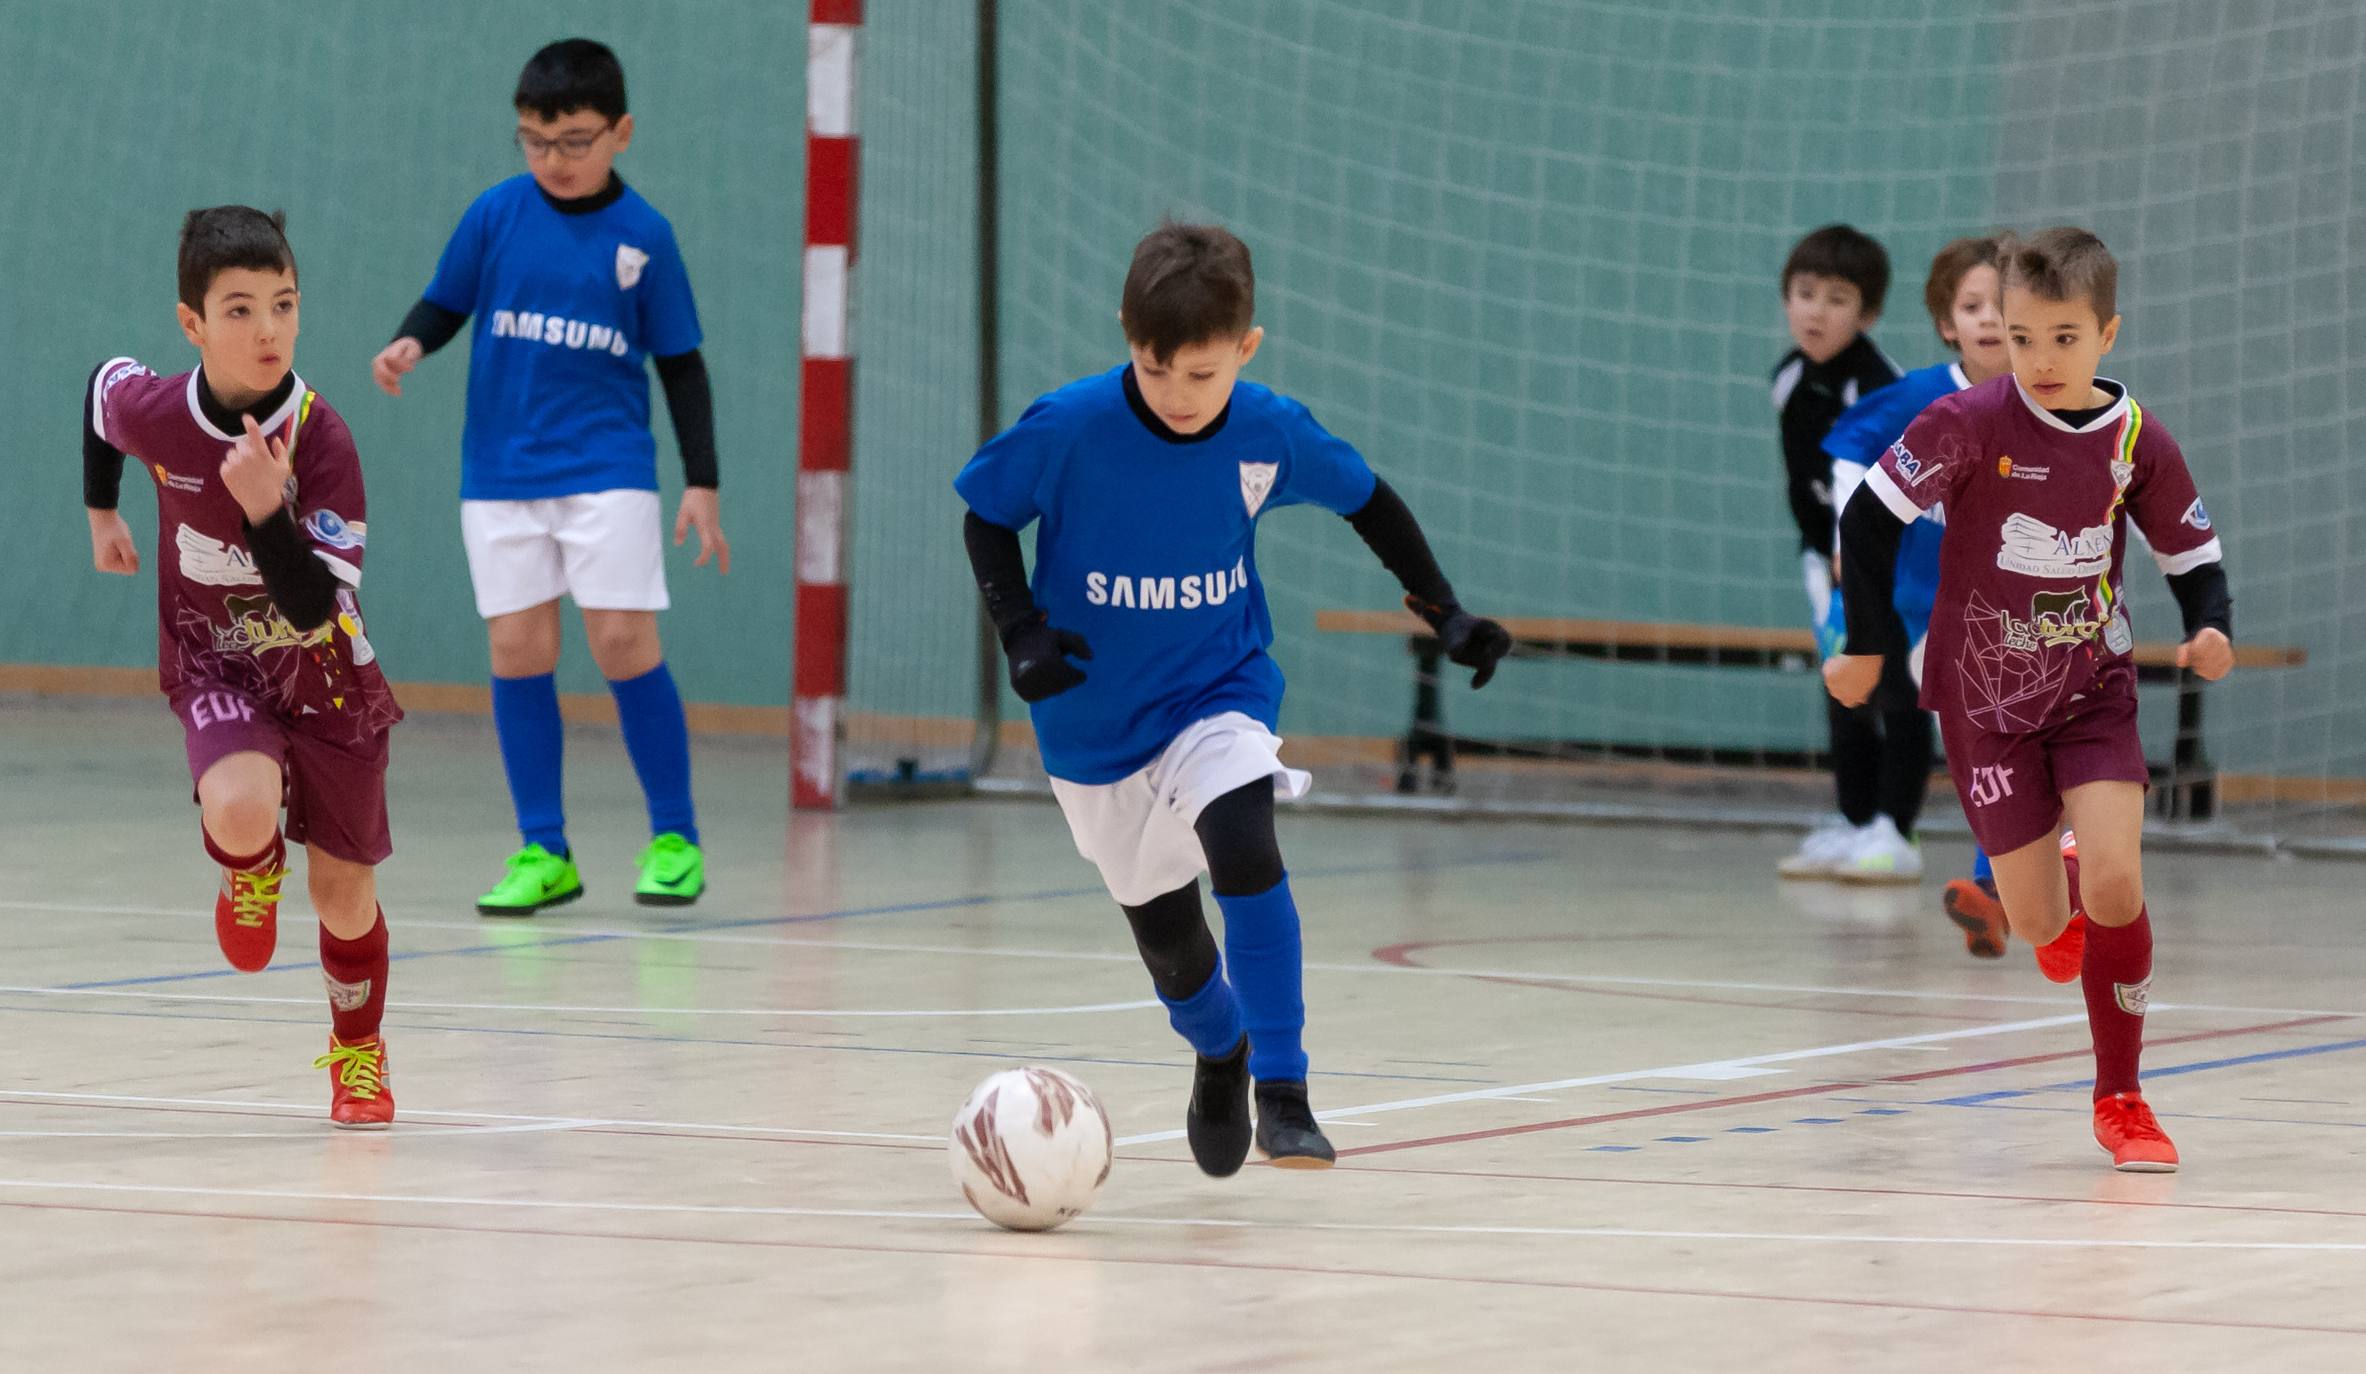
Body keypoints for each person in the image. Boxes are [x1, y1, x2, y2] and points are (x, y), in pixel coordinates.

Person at [955, 222, 1510, 1175]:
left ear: (1245, 349)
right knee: (1171, 946)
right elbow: (987, 517)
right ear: (1127, 332)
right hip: (1093, 726)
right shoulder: (1070, 427)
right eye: (1155, 369)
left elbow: (1368, 500)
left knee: (1247, 846)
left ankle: (1284, 1092)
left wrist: (1444, 611)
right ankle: (1221, 1048)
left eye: (1202, 375)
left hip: (1218, 688)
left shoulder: (1268, 430)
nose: (1178, 394)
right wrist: (1022, 632)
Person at [1827, 227, 2234, 1171]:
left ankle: (2123, 1099)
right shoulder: (1965, 423)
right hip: (1985, 703)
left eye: (2064, 337)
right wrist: (1868, 646)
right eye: (2021, 338)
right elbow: (1867, 518)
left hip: (2093, 687)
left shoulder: (2135, 438)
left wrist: (2209, 625)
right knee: (2045, 928)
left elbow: (2191, 553)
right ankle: (2063, 877)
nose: (2041, 360)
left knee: (2120, 881)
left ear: (2107, 334)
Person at [373, 37, 728, 915]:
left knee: (622, 641)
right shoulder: (495, 214)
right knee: (518, 649)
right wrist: (411, 340)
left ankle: (675, 837)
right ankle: (544, 849)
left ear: (620, 133)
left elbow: (682, 364)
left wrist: (702, 480)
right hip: (500, 471)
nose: (553, 159)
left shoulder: (645, 235)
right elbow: (446, 300)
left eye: (574, 141)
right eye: (534, 141)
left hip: (608, 468)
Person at [83, 206, 402, 1127]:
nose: (268, 329)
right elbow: (101, 392)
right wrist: (102, 511)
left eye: (284, 305)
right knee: (237, 804)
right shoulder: (158, 413)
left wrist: (266, 509)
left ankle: (359, 1054)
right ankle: (249, 864)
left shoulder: (322, 439)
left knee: (343, 898)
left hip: (329, 679)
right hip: (216, 664)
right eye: (240, 310)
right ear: (193, 323)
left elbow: (313, 609)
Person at [1818, 235, 2012, 896]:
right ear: (1946, 323)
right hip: (1901, 591)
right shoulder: (1918, 397)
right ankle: (1880, 829)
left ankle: (1992, 863)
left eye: (2004, 305)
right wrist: (1846, 538)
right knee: (1883, 701)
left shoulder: (2049, 408)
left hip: (1990, 607)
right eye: (1973, 306)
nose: (1989, 319)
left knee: (1991, 733)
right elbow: (1850, 447)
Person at [1767, 225, 1906, 879]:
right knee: (1841, 682)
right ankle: (1855, 822)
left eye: (1837, 298)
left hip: (1892, 564)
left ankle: (1895, 829)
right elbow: (1804, 481)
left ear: (1867, 314)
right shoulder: (1787, 380)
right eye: (1804, 293)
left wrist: (1870, 559)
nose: (1816, 311)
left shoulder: (1880, 390)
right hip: (1826, 561)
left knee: (1896, 689)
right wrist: (1820, 555)